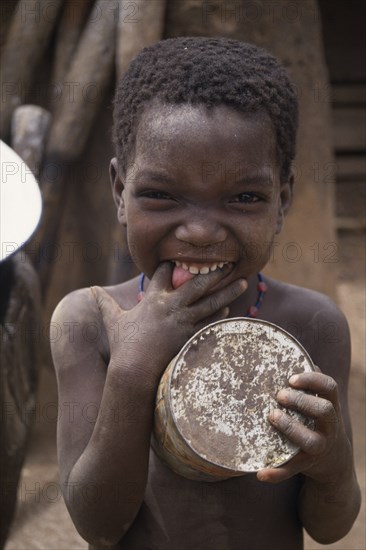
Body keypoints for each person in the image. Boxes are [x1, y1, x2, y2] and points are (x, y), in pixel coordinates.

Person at [51, 37, 361, 550]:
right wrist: (132, 370)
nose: (198, 232)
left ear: (281, 201)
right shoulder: (89, 322)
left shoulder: (311, 324)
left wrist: (330, 462)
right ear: (119, 193)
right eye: (160, 194)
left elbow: (331, 528)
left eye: (243, 198)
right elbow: (97, 525)